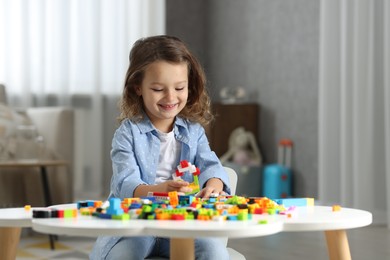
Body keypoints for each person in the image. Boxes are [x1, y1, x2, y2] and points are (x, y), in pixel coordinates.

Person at [90, 35, 231, 260]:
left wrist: (213, 186)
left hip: (181, 223)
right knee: (124, 256)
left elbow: (210, 165)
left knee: (215, 253)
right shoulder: (128, 133)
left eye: (179, 87)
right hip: (135, 225)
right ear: (138, 87)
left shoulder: (193, 131)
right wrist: (161, 191)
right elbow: (126, 184)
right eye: (158, 89)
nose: (170, 97)